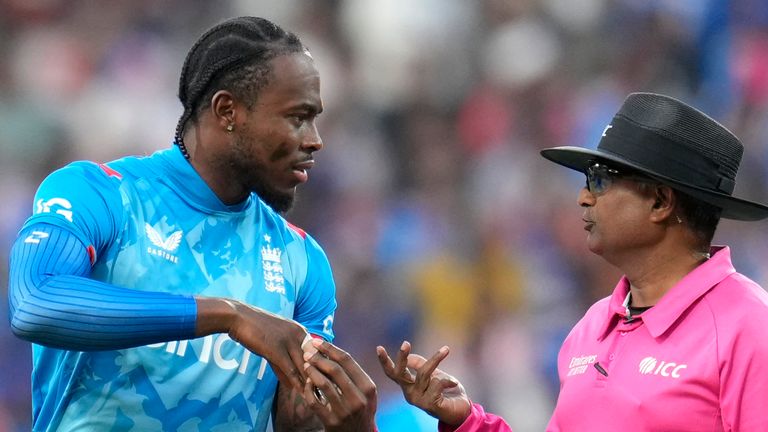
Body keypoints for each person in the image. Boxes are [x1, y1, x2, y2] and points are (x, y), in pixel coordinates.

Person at [6, 16, 363, 431]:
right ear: (227, 110)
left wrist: (345, 423)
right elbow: (35, 302)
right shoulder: (102, 195)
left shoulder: (302, 261)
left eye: (315, 118)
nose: (315, 139)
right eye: (297, 118)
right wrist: (228, 316)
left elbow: (294, 421)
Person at [374, 92, 768, 431]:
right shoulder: (592, 328)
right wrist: (466, 421)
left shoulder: (747, 326)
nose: (583, 197)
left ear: (661, 201)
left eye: (600, 179)